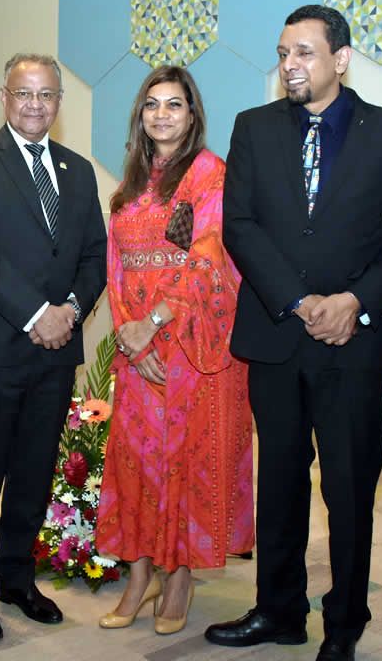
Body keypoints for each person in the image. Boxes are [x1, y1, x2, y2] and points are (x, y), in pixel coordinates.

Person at [206, 5, 382, 661]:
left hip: (353, 343)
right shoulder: (253, 127)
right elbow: (239, 224)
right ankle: (278, 610)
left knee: (349, 490)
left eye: (303, 52)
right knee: (279, 482)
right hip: (277, 334)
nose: (290, 65)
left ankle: (345, 624)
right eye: (283, 54)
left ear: (341, 58)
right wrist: (299, 302)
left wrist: (354, 302)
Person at [0, 53, 108, 642]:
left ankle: (16, 578)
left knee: (35, 472)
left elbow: (95, 254)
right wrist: (38, 314)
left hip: (55, 352)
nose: (35, 104)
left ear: (59, 102)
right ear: (4, 97)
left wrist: (69, 312)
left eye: (46, 95)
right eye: (24, 93)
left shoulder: (77, 169)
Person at [95, 65, 252, 636]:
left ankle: (179, 576)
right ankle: (139, 576)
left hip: (190, 349)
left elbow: (209, 259)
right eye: (152, 104)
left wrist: (155, 323)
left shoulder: (209, 175)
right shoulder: (132, 183)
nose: (162, 114)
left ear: (192, 115)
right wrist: (131, 338)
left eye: (174, 104)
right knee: (135, 463)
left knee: (182, 464)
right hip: (139, 352)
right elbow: (116, 270)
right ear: (140, 116)